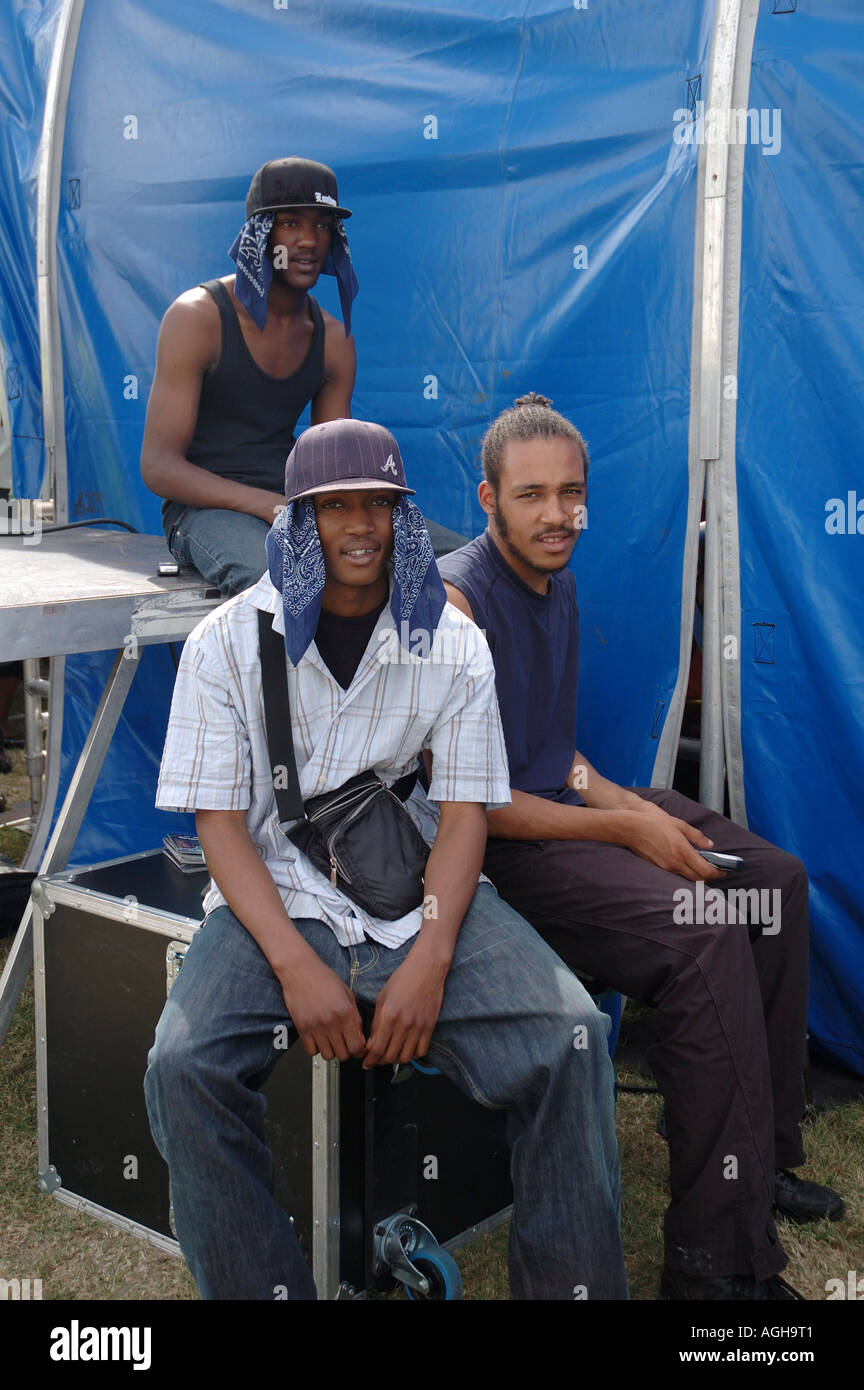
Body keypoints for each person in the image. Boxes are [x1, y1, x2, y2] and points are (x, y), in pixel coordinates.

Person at [144, 417, 627, 1301]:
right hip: (273, 902)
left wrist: (432, 960)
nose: (359, 525)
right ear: (298, 520)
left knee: (576, 1039)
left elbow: (465, 812)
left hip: (416, 897)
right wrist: (294, 965)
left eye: (380, 504)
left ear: (405, 517)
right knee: (182, 1069)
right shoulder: (223, 642)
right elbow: (219, 826)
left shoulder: (451, 639)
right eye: (334, 507)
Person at [437, 392, 844, 1303]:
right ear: (487, 498)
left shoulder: (559, 581)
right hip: (502, 851)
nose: (556, 514)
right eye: (532, 494)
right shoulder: (458, 602)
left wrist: (633, 805)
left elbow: (556, 755)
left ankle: (761, 1158)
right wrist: (629, 828)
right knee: (703, 929)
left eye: (571, 493)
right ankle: (714, 1267)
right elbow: (478, 798)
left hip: (561, 809)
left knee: (769, 886)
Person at [140, 157, 358, 596]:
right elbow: (159, 466)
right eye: (291, 223)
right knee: (277, 583)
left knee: (448, 558)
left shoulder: (333, 338)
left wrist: (355, 512)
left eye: (321, 226)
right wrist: (264, 505)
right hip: (202, 510)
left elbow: (330, 466)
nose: (309, 241)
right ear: (258, 236)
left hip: (292, 502)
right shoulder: (197, 318)